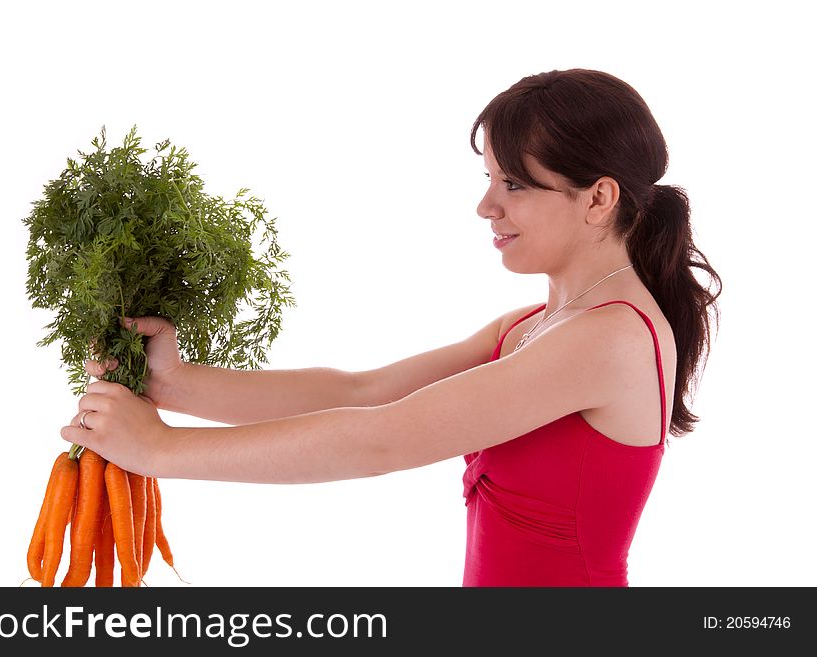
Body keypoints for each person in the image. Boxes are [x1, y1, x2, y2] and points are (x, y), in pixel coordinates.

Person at [62, 68, 722, 586]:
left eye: (515, 185)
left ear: (600, 198)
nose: (485, 205)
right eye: (489, 178)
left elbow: (384, 440)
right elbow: (362, 391)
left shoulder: (609, 340)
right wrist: (176, 383)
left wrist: (161, 452)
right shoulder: (532, 327)